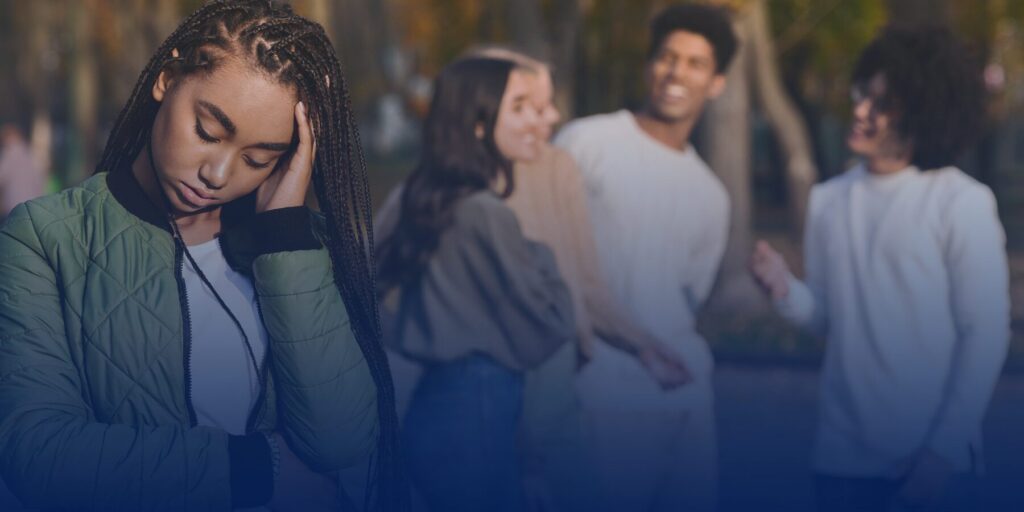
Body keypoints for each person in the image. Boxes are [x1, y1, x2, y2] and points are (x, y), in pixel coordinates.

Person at [0, 1, 404, 510]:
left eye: (258, 159)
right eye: (208, 132)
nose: (217, 173)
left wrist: (283, 235)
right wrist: (257, 467)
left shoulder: (298, 249)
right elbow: (37, 452)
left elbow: (344, 439)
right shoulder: (46, 237)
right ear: (166, 80)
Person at [751, 26, 1009, 512]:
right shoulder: (828, 201)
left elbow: (986, 335)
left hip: (933, 464)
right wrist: (784, 289)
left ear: (922, 115)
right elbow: (827, 316)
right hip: (841, 459)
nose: (861, 110)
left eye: (882, 104)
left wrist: (941, 453)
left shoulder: (960, 202)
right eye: (862, 93)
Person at [467, 45, 694, 512]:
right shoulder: (451, 187)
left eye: (546, 102)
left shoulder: (557, 168)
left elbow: (586, 285)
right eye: (529, 104)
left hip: (556, 392)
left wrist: (643, 345)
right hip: (484, 400)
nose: (551, 116)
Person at [553, 4, 736, 511]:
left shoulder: (712, 196)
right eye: (667, 57)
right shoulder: (586, 141)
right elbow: (544, 255)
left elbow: (687, 299)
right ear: (650, 65)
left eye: (695, 63)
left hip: (683, 389)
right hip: (598, 387)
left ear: (716, 83)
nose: (676, 72)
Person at [375, 57, 576, 512]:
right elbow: (548, 323)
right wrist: (541, 255)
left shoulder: (428, 200)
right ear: (480, 125)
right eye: (519, 107)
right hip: (475, 416)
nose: (536, 122)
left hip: (439, 410)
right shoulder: (485, 213)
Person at [0, 123, 46, 220]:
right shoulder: (30, 153)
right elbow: (40, 180)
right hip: (32, 204)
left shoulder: (9, 153)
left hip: (13, 205)